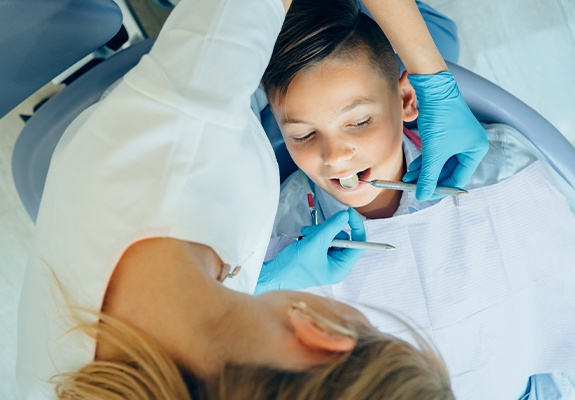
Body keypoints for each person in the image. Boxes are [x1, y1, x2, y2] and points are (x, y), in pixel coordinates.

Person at [15, 0, 470, 398]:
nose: (334, 154)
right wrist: (260, 282)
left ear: (320, 334)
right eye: (304, 133)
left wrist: (433, 73)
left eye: (370, 328)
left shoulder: (189, 118)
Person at [259, 0, 575, 399]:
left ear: (408, 100)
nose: (336, 155)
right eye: (304, 135)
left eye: (359, 122)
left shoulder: (500, 172)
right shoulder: (272, 229)